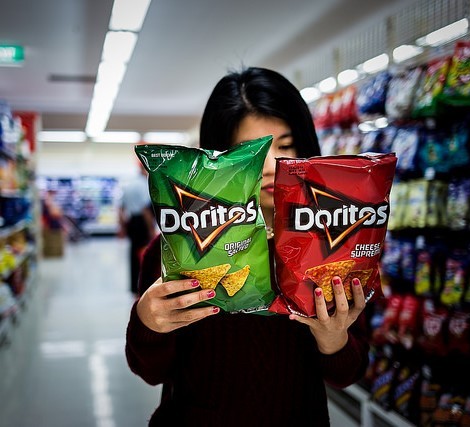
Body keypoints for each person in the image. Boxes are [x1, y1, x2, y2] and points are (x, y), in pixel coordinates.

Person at [125, 67, 369, 426]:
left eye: (285, 146)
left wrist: (334, 339)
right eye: (248, 151)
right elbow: (150, 371)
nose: (270, 166)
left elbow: (348, 373)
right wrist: (148, 324)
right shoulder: (177, 250)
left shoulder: (337, 246)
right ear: (218, 160)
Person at [119, 162, 157, 294]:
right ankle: (144, 286)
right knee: (145, 255)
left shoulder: (129, 184)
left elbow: (121, 208)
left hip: (132, 222)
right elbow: (145, 209)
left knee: (133, 254)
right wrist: (151, 230)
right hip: (142, 224)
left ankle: (134, 287)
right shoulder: (144, 185)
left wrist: (122, 226)